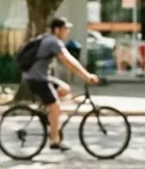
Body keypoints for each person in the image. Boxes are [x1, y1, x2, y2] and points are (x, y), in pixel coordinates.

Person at [22, 17, 99, 152]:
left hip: (41, 77)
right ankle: (54, 140)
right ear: (57, 30)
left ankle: (49, 114)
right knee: (56, 106)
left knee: (65, 89)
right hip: (37, 79)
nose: (67, 32)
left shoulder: (49, 39)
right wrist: (86, 76)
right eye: (65, 29)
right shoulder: (53, 42)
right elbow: (68, 61)